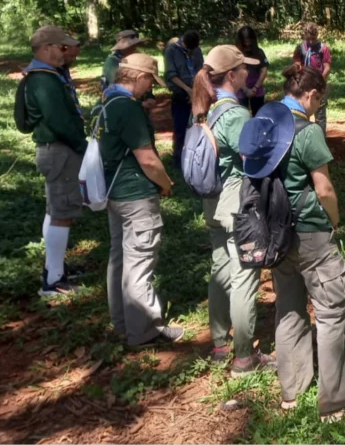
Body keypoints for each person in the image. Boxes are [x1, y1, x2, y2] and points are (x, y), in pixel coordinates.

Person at [243, 64, 345, 423]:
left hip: (275, 233)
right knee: (330, 314)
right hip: (310, 231)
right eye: (319, 100)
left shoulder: (262, 124)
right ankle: (335, 403)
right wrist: (335, 219)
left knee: (289, 310)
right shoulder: (308, 132)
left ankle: (291, 392)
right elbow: (323, 187)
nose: (318, 106)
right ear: (310, 95)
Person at [191, 45, 275, 375]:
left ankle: (219, 344)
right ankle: (244, 358)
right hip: (236, 203)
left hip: (212, 202)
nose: (248, 75)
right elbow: (251, 161)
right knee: (244, 277)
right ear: (231, 75)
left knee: (220, 270)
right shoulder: (236, 114)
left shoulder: (205, 108)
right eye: (244, 70)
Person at [100, 53, 183, 347]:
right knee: (140, 263)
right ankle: (145, 331)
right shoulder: (128, 108)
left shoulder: (105, 102)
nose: (150, 88)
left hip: (113, 193)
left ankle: (123, 323)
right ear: (137, 77)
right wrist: (165, 183)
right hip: (135, 195)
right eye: (149, 81)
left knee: (120, 258)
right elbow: (147, 159)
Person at [22, 26, 87, 297]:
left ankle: (55, 267)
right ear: (47, 48)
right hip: (60, 150)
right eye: (62, 48)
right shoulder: (45, 80)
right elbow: (60, 121)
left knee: (56, 210)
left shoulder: (41, 76)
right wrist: (83, 147)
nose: (65, 53)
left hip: (56, 149)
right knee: (63, 213)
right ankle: (54, 281)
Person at [164, 30, 204, 169]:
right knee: (180, 127)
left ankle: (196, 158)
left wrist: (197, 91)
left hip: (197, 92)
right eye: (189, 49)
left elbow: (201, 71)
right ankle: (178, 160)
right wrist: (188, 91)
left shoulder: (197, 50)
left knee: (198, 126)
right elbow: (171, 75)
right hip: (180, 92)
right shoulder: (171, 51)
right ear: (183, 42)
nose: (191, 51)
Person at [292, 23, 332, 133]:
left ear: (317, 35)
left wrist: (320, 81)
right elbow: (296, 64)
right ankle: (304, 137)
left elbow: (327, 67)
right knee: (303, 112)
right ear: (304, 35)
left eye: (313, 39)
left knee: (320, 114)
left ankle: (321, 139)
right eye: (308, 39)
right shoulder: (300, 48)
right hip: (304, 84)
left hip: (319, 84)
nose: (311, 41)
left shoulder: (323, 48)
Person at [235, 26, 270, 116]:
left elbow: (264, 69)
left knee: (258, 115)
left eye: (249, 41)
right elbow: (234, 72)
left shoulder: (259, 52)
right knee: (242, 116)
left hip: (257, 89)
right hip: (240, 89)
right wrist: (245, 89)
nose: (247, 44)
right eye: (245, 41)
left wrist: (255, 88)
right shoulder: (236, 53)